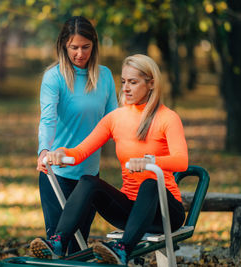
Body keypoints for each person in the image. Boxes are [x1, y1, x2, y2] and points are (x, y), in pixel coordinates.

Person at [31, 54, 188, 265]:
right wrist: (59, 153)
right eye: (123, 82)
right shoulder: (116, 118)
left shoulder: (168, 118)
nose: (126, 88)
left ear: (151, 84)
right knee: (88, 181)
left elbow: (181, 161)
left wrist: (150, 161)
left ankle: (122, 249)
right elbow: (80, 151)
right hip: (130, 212)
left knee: (150, 183)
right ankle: (58, 242)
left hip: (166, 214)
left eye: (133, 82)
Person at [36, 16, 118, 254]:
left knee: (79, 244)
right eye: (74, 47)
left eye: (85, 47)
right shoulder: (54, 77)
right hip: (57, 172)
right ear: (64, 45)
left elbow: (115, 120)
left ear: (94, 45)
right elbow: (48, 119)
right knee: (57, 245)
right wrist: (43, 150)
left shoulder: (104, 76)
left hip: (89, 176)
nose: (80, 54)